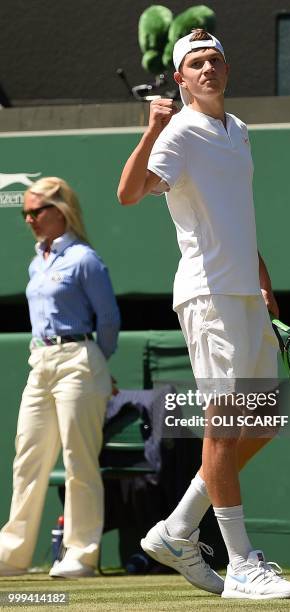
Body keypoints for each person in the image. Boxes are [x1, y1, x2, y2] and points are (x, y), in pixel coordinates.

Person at [117, 30, 290, 600]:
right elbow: (129, 193)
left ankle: (178, 530)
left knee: (266, 416)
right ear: (180, 78)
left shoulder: (239, 132)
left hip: (245, 292)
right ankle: (242, 563)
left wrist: (263, 279)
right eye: (196, 63)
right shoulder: (177, 134)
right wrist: (151, 129)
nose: (208, 69)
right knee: (224, 427)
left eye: (215, 60)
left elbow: (236, 218)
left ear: (227, 69)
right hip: (208, 295)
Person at [0, 177, 120, 579]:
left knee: (78, 460)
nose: (30, 219)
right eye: (26, 214)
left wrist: (94, 364)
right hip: (41, 362)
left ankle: (81, 556)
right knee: (27, 459)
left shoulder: (85, 259)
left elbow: (108, 320)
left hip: (79, 359)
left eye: (37, 211)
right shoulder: (37, 261)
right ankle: (12, 555)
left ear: (61, 210)